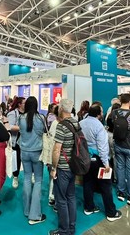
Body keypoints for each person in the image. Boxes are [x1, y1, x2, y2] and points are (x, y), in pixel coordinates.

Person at [80, 105, 122, 221]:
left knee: (87, 182)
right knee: (105, 186)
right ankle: (111, 212)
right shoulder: (99, 126)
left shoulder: (82, 123)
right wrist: (106, 164)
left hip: (85, 158)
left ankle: (89, 207)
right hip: (98, 160)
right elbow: (102, 147)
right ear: (99, 114)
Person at [49, 99, 78, 235]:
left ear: (61, 109)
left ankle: (64, 230)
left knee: (61, 199)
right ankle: (71, 228)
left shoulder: (61, 126)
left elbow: (56, 150)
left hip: (63, 167)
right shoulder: (76, 123)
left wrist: (54, 168)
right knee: (71, 197)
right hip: (74, 165)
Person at [18, 96, 46, 225]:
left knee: (27, 178)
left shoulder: (21, 118)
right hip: (37, 152)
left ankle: (26, 210)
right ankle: (35, 214)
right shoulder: (41, 118)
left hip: (24, 152)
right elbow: (44, 133)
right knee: (38, 180)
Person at [7, 96, 26, 188]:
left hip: (27, 140)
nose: (26, 105)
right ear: (19, 104)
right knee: (17, 159)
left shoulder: (28, 113)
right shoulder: (12, 113)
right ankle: (15, 177)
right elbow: (9, 126)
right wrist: (24, 128)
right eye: (24, 103)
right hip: (16, 140)